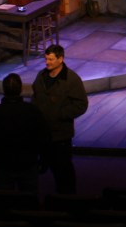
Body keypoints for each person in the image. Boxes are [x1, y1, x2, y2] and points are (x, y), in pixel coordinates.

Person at [0, 72, 52, 193]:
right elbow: (44, 137)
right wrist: (44, 160)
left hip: (3, 164)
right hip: (28, 163)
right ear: (21, 89)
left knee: (5, 200)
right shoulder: (32, 111)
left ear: (4, 90)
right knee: (29, 200)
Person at [31, 44, 89, 194]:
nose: (47, 62)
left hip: (61, 135)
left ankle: (67, 199)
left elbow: (81, 104)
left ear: (60, 59)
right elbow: (35, 96)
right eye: (46, 59)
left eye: (50, 59)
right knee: (44, 166)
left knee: (63, 171)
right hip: (43, 134)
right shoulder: (41, 76)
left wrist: (60, 114)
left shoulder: (71, 79)